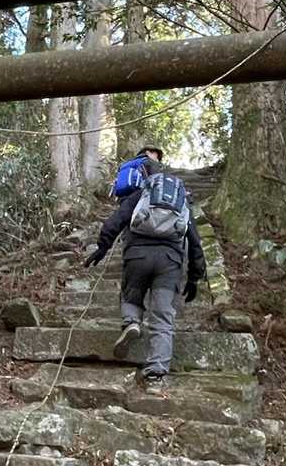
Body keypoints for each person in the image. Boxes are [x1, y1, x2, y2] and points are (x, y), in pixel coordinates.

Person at [85, 156, 206, 386]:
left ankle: (131, 321)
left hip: (137, 256)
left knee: (131, 294)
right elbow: (194, 241)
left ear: (144, 175)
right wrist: (194, 277)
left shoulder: (139, 193)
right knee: (162, 317)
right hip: (169, 262)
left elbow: (116, 220)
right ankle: (155, 375)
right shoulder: (180, 199)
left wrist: (102, 247)